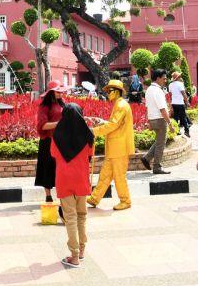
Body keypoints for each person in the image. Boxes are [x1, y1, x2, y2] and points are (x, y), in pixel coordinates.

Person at [50, 103, 94, 267]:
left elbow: (53, 154)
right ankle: (81, 251)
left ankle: (74, 256)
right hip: (81, 179)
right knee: (82, 215)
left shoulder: (57, 135)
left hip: (64, 180)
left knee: (70, 218)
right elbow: (89, 153)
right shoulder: (88, 134)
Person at [87, 80, 134, 210]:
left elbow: (113, 125)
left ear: (116, 91)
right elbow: (115, 123)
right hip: (114, 148)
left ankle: (125, 201)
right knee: (105, 174)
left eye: (109, 91)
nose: (107, 93)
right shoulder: (119, 104)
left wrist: (94, 131)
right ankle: (95, 198)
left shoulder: (120, 105)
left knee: (119, 176)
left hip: (119, 148)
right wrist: (102, 122)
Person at [36, 81, 67, 202]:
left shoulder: (63, 103)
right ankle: (48, 195)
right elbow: (42, 126)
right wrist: (60, 124)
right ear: (51, 92)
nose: (60, 93)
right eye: (58, 91)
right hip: (49, 141)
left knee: (61, 169)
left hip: (61, 141)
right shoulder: (44, 106)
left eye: (61, 91)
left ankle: (63, 194)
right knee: (47, 168)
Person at [142, 69, 175, 174]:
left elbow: (147, 107)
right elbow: (162, 109)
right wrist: (170, 124)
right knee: (161, 143)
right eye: (164, 78)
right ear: (158, 78)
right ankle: (157, 167)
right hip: (160, 120)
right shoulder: (158, 91)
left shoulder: (149, 90)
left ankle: (147, 158)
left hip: (152, 119)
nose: (165, 80)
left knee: (159, 141)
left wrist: (149, 121)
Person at [168, 72, 190, 137]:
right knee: (183, 117)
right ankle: (186, 131)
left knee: (175, 117)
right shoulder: (180, 84)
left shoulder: (170, 85)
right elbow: (183, 93)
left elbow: (170, 95)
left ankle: (177, 131)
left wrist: (170, 104)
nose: (180, 77)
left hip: (174, 103)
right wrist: (187, 102)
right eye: (179, 76)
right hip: (180, 103)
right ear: (178, 77)